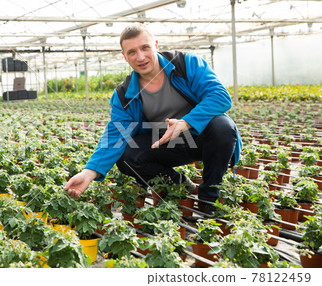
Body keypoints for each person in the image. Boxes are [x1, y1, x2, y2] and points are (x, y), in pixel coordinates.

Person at [65, 23, 242, 214]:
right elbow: (116, 134)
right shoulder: (125, 94)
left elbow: (220, 96)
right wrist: (89, 172)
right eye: (132, 52)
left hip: (201, 138)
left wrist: (185, 123)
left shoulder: (185, 64)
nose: (140, 57)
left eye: (145, 47)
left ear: (155, 45)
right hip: (166, 144)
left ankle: (208, 198)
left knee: (222, 126)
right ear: (125, 57)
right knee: (126, 155)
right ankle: (179, 183)